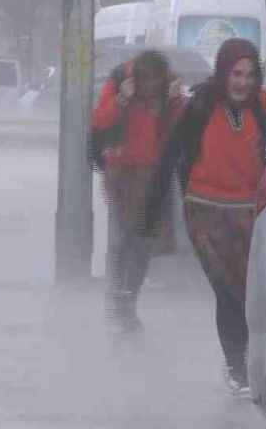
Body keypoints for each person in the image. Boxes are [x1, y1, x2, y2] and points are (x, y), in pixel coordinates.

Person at [149, 38, 266, 396]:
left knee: (251, 290)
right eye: (235, 74)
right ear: (222, 73)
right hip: (204, 213)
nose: (242, 82)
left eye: (249, 74)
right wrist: (152, 211)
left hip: (250, 214)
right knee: (227, 290)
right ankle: (236, 365)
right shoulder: (199, 105)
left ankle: (255, 358)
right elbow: (170, 156)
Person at [91, 50, 185, 334]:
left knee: (144, 245)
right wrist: (121, 99)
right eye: (146, 86)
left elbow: (182, 127)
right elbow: (98, 122)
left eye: (156, 86)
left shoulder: (170, 87)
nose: (150, 92)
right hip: (120, 174)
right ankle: (115, 300)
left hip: (155, 176)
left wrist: (176, 101)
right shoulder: (120, 80)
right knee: (121, 240)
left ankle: (129, 301)